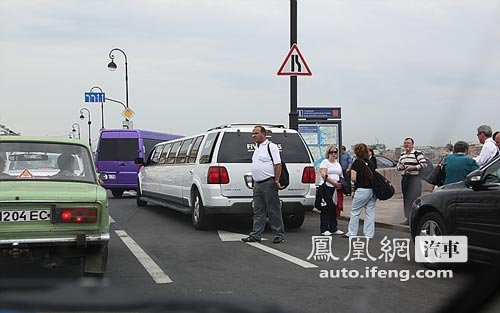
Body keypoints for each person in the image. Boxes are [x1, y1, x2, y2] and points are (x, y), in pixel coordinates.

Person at [242, 126, 285, 244]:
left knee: (273, 210)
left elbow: (278, 165)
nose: (253, 135)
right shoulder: (257, 148)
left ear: (264, 134)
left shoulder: (271, 147)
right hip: (257, 184)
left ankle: (278, 235)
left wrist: (276, 181)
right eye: (252, 133)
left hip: (268, 183)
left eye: (256, 133)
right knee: (258, 211)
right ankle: (255, 235)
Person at [342, 143, 376, 239]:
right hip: (372, 190)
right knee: (370, 212)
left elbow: (353, 178)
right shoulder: (370, 162)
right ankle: (369, 234)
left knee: (355, 212)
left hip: (361, 190)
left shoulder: (356, 163)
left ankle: (352, 233)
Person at [396, 137, 428, 225]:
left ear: (412, 144)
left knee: (415, 198)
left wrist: (414, 167)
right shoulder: (402, 155)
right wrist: (400, 167)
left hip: (415, 178)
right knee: (406, 198)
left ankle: (416, 218)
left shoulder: (417, 153)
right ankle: (408, 218)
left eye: (408, 143)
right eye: (405, 143)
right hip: (405, 178)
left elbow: (424, 164)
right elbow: (398, 166)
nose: (406, 145)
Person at [317, 145, 344, 236]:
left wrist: (341, 183)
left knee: (334, 208)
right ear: (328, 153)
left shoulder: (337, 164)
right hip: (326, 187)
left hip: (335, 188)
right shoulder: (325, 162)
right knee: (326, 207)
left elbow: (341, 174)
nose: (333, 154)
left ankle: (333, 227)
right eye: (331, 152)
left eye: (335, 152)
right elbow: (324, 175)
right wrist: (334, 183)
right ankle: (324, 228)